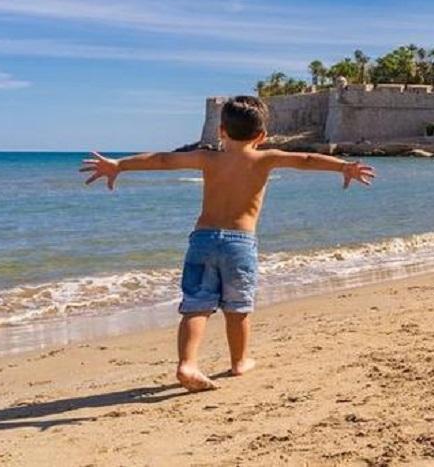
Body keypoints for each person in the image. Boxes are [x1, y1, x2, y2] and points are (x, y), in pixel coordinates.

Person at [80, 96, 376, 392]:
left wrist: (120, 165)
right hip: (240, 243)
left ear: (221, 130)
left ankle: (187, 363)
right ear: (261, 136)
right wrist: (343, 167)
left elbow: (162, 160)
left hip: (203, 240)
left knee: (196, 306)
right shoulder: (265, 158)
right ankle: (240, 362)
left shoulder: (208, 158)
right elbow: (306, 160)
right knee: (238, 309)